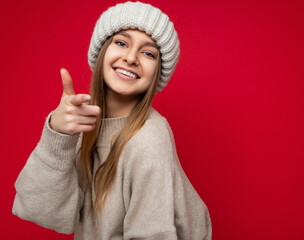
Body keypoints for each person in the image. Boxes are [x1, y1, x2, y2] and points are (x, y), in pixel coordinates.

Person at [12, 1, 212, 240]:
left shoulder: (149, 139)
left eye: (148, 53)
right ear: (101, 51)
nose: (130, 57)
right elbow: (42, 212)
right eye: (121, 42)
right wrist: (58, 135)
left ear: (158, 72)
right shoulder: (83, 121)